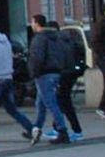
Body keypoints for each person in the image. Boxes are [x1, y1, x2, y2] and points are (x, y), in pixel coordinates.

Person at [26, 14, 72, 145]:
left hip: (43, 74)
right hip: (55, 72)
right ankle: (35, 129)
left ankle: (62, 131)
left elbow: (37, 57)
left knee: (51, 103)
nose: (32, 25)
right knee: (40, 103)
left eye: (32, 22)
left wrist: (34, 72)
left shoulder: (39, 38)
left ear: (36, 23)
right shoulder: (55, 37)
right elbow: (64, 53)